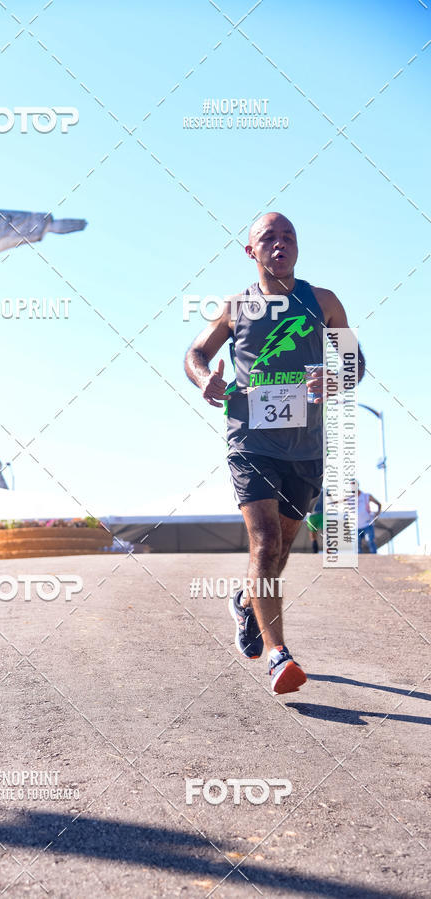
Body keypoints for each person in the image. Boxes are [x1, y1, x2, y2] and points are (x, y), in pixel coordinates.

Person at [184, 212, 365, 694]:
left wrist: (339, 378)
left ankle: (246, 601)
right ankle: (277, 654)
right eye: (269, 238)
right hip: (251, 441)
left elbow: (354, 359)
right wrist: (207, 381)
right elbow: (195, 353)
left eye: (289, 236)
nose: (280, 244)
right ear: (252, 252)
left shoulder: (322, 302)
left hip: (305, 447)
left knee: (283, 547)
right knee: (264, 542)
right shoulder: (236, 307)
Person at [357, 484, 381, 553]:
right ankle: (360, 562)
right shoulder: (349, 498)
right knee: (357, 544)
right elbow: (339, 501)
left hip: (367, 524)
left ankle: (375, 560)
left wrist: (377, 515)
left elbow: (378, 504)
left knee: (370, 541)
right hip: (356, 526)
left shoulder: (366, 496)